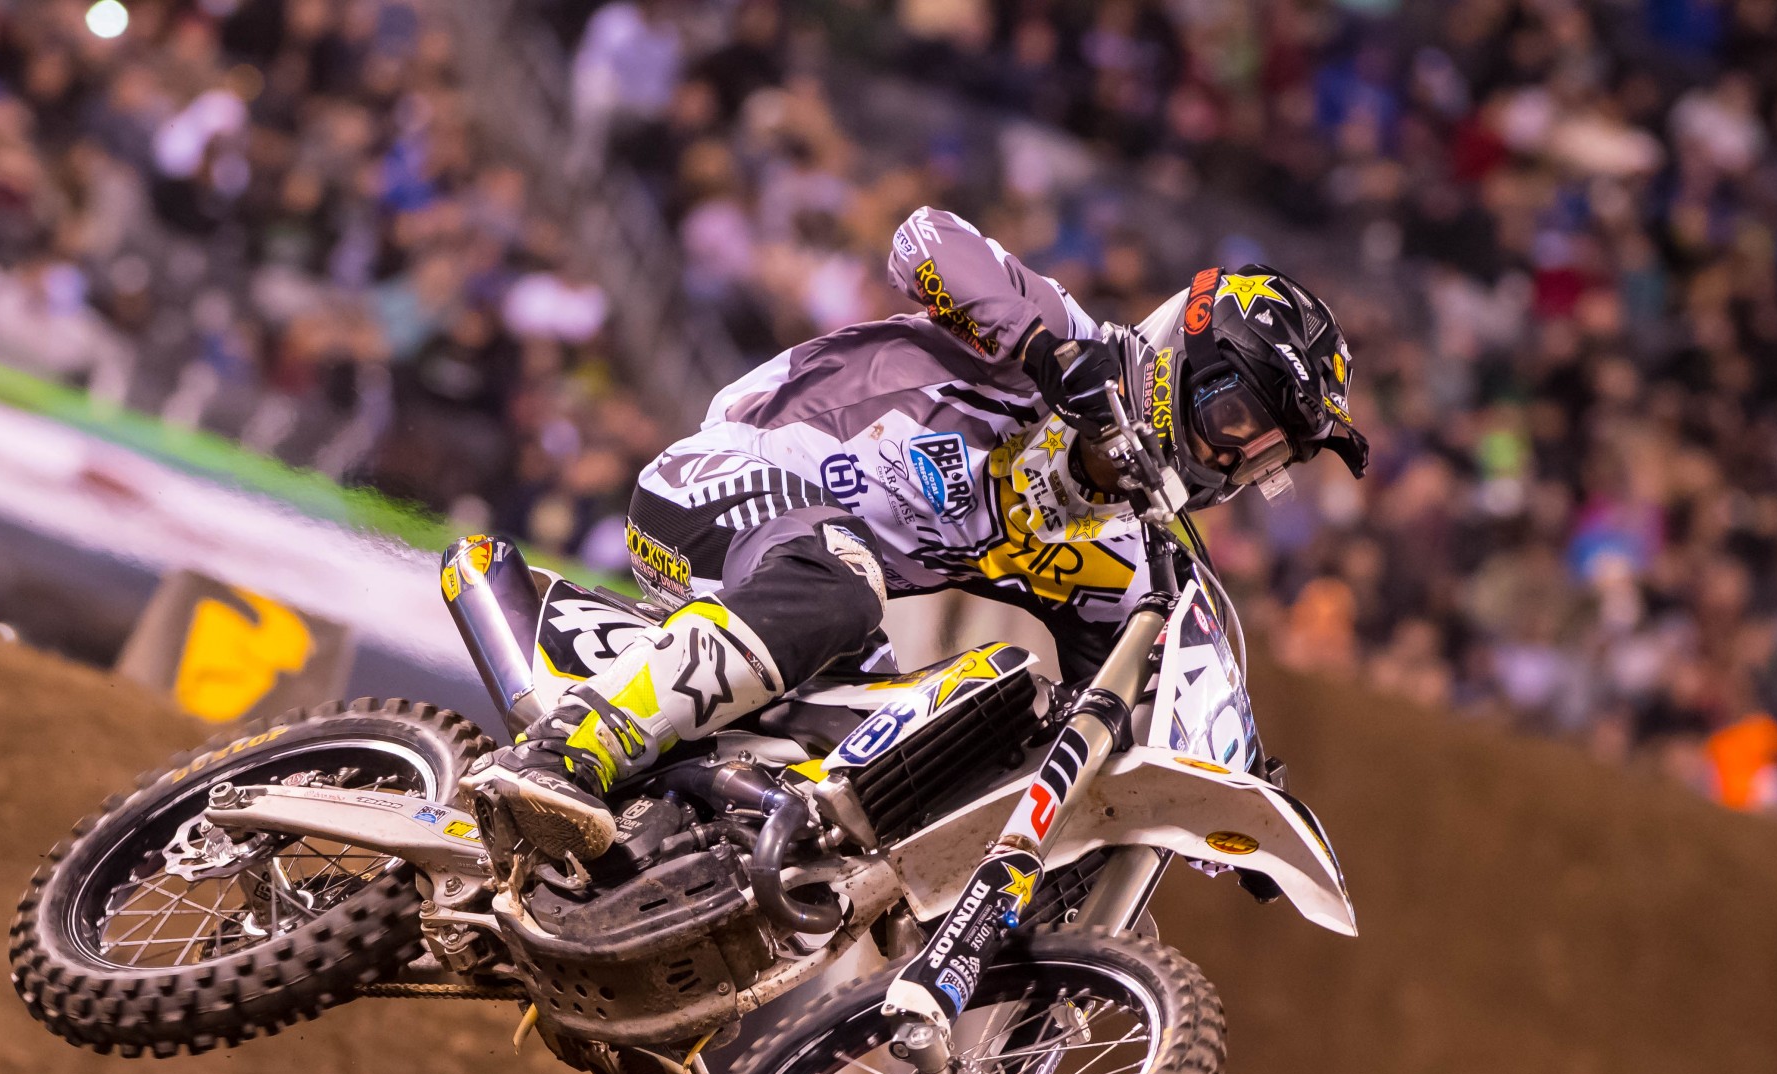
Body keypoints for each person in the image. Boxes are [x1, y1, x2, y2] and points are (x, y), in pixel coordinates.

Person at [464, 206, 1369, 861]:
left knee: (924, 746)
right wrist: (1045, 354)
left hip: (814, 617)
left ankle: (669, 900)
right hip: (725, 485)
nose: (1233, 459)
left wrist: (1235, 789)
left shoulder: (1123, 555)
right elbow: (922, 239)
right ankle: (569, 748)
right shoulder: (1068, 339)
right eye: (1237, 419)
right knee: (844, 582)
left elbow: (1130, 705)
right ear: (1191, 357)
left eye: (1265, 458)